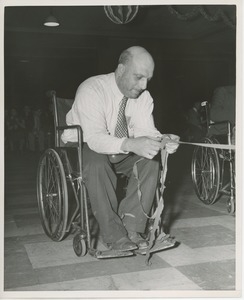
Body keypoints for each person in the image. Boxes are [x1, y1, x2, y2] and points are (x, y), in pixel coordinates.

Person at [61, 46, 179, 252]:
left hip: (119, 151)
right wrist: (131, 143)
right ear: (121, 69)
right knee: (96, 159)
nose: (143, 85)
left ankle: (132, 227)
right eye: (139, 77)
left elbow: (147, 132)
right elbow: (95, 139)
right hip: (81, 147)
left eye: (148, 79)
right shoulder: (92, 89)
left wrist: (163, 141)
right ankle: (114, 234)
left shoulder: (143, 97)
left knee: (150, 160)